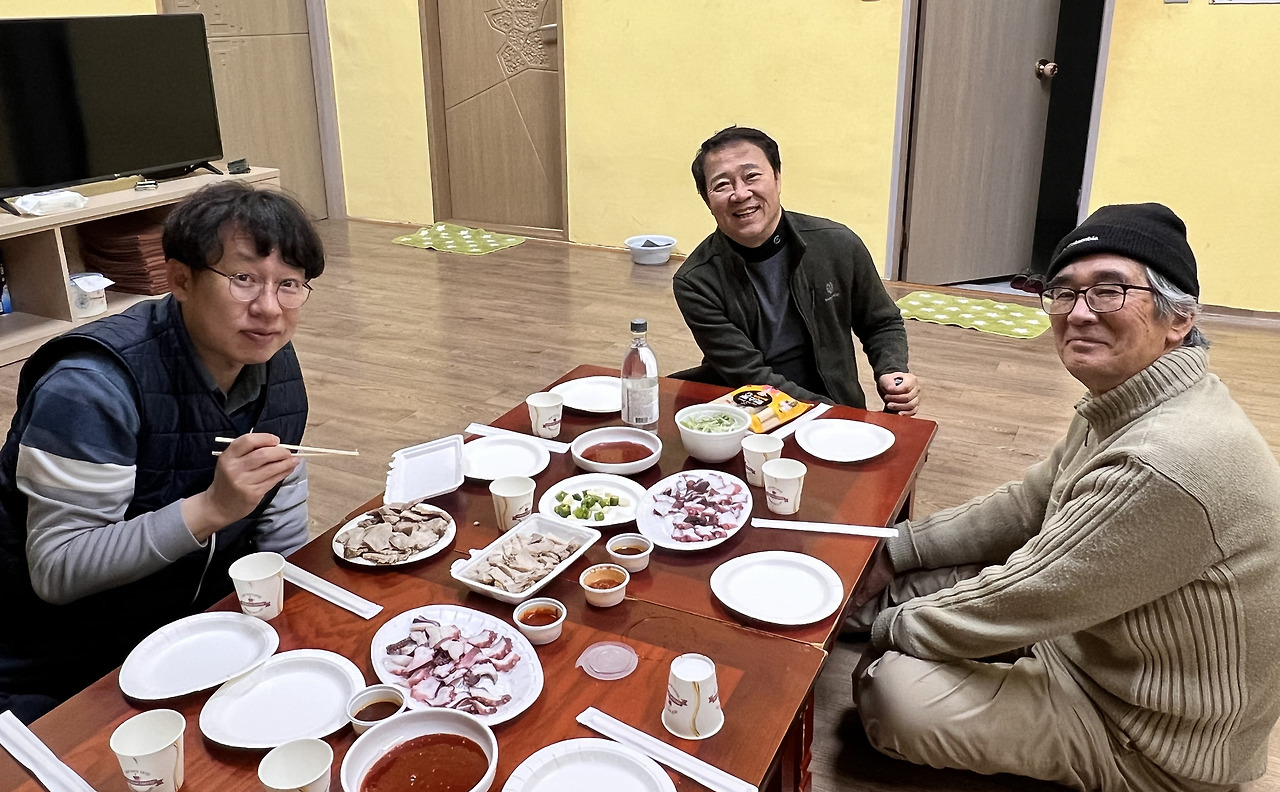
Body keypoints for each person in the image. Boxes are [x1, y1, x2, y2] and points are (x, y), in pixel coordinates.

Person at [850, 203, 1280, 791]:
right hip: (1094, 636)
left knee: (891, 692)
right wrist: (894, 549)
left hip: (1149, 735)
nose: (1078, 313)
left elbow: (1033, 593)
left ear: (1178, 318)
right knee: (914, 579)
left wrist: (891, 629)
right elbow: (1028, 505)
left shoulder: (1163, 459)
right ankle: (849, 609)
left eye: (1108, 291)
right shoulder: (1127, 397)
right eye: (1065, 292)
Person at [0, 181, 324, 722]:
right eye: (243, 279)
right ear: (181, 279)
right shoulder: (89, 387)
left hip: (193, 631)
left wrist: (286, 611)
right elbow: (56, 570)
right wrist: (213, 508)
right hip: (58, 662)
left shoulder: (270, 359)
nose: (270, 308)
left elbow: (281, 513)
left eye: (289, 284)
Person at [672, 126, 919, 414]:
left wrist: (893, 371)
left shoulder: (837, 244)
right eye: (722, 185)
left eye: (752, 176)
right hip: (752, 410)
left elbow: (881, 321)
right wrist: (838, 416)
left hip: (835, 401)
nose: (740, 194)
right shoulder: (696, 281)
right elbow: (749, 374)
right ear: (707, 200)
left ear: (777, 178)